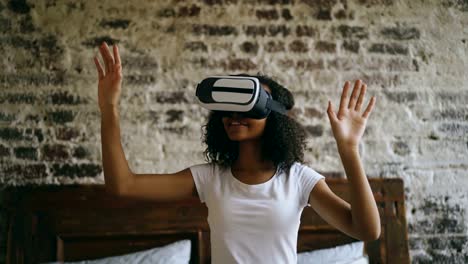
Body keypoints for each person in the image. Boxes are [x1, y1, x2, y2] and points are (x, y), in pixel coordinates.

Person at [94, 42, 380, 264]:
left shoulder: (299, 180)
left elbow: (367, 231)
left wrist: (349, 150)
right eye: (228, 107)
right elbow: (123, 185)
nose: (234, 115)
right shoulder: (210, 178)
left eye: (247, 106)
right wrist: (110, 109)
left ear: (275, 116)